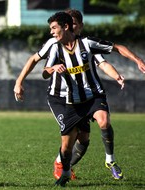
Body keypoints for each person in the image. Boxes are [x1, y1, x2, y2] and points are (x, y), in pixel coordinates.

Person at [14, 11, 145, 187]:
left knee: (103, 122)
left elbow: (111, 54)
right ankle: (64, 168)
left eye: (54, 28)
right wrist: (29, 78)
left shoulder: (87, 43)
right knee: (74, 140)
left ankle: (109, 160)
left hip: (91, 95)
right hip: (64, 99)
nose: (51, 32)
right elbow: (43, 70)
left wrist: (136, 61)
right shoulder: (53, 45)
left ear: (69, 26)